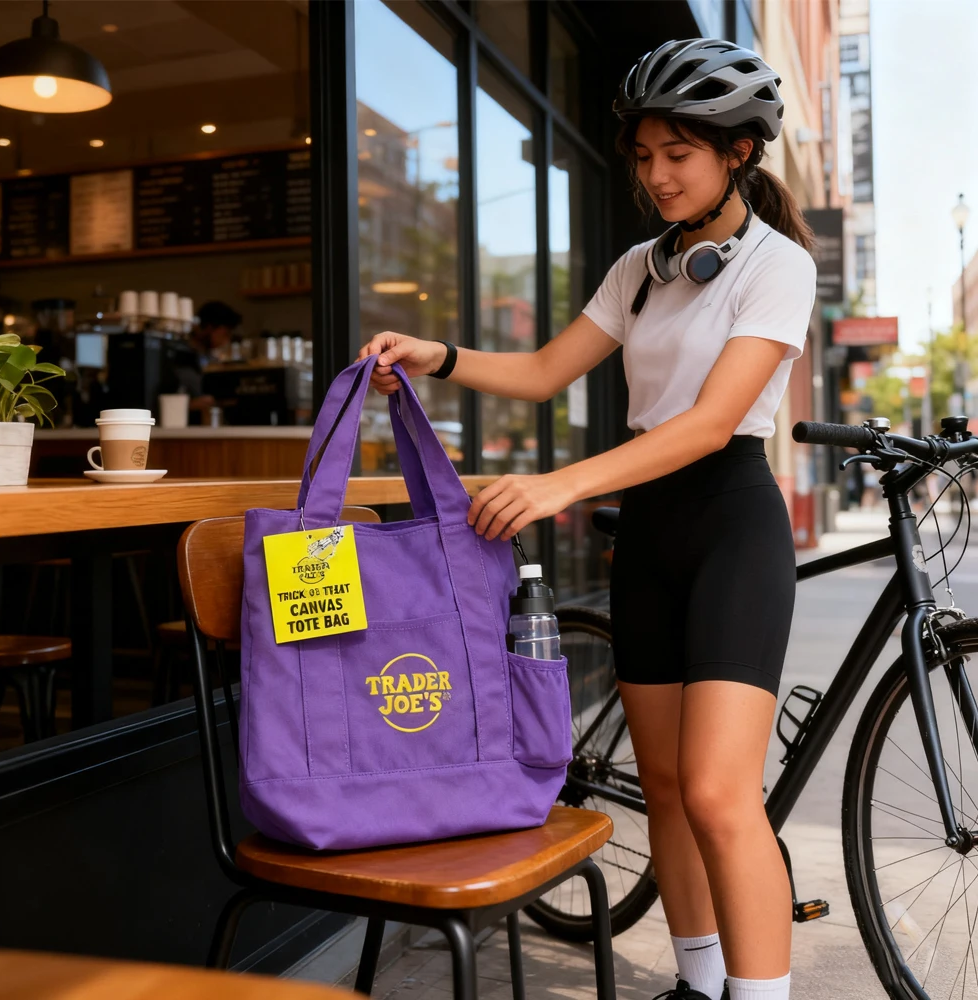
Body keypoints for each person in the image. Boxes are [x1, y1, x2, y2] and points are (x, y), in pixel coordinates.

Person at [359, 38, 815, 1000]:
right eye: (644, 156)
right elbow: (541, 372)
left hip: (732, 523)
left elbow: (711, 423)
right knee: (666, 791)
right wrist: (437, 355)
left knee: (718, 794)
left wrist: (560, 484)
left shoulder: (778, 267)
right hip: (649, 533)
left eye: (677, 155)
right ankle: (698, 985)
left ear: (738, 152)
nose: (655, 176)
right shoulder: (641, 268)